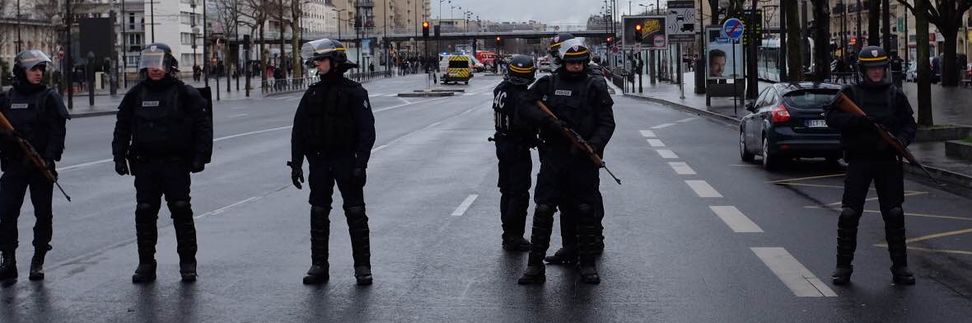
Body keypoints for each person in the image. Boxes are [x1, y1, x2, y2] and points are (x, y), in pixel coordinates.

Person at [112, 43, 213, 284]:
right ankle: (146, 263)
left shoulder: (184, 93)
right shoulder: (135, 95)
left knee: (180, 210)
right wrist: (118, 156)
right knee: (145, 212)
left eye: (159, 63)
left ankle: (188, 263)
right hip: (145, 164)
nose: (154, 69)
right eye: (150, 63)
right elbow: (122, 127)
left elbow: (203, 125)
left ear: (169, 65)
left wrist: (201, 156)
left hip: (175, 163)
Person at [517, 39, 615, 285]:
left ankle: (587, 264)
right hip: (553, 157)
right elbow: (525, 105)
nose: (575, 67)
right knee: (543, 209)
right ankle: (534, 266)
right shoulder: (548, 82)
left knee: (584, 210)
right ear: (563, 61)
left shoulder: (595, 86)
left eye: (579, 62)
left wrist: (594, 144)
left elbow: (607, 123)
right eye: (571, 62)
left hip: (582, 160)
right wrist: (549, 122)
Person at [825, 46, 917, 286]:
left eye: (879, 68)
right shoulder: (850, 93)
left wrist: (901, 141)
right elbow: (831, 118)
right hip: (860, 160)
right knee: (849, 214)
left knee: (894, 214)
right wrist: (857, 121)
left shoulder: (895, 95)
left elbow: (909, 124)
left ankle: (901, 267)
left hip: (887, 160)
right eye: (871, 68)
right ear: (863, 69)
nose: (876, 72)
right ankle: (843, 267)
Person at [290, 38, 376, 286]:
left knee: (355, 212)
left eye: (321, 59)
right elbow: (299, 131)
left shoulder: (355, 92)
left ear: (335, 62)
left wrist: (361, 164)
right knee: (318, 213)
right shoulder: (312, 93)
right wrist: (296, 163)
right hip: (319, 161)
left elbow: (366, 132)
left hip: (346, 160)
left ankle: (362, 266)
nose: (317, 64)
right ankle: (319, 265)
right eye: (315, 60)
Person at [0, 50, 69, 283]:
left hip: (40, 166)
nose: (39, 74)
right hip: (14, 166)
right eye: (33, 69)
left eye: (41, 69)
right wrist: (8, 139)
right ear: (21, 71)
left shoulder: (49, 98)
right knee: (6, 213)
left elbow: (57, 133)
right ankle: (8, 260)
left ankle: (38, 259)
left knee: (43, 215)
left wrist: (48, 159)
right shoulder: (7, 98)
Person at [492, 55, 539, 252]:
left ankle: (507, 234)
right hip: (517, 147)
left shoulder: (500, 89)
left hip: (502, 144)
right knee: (519, 194)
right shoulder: (521, 97)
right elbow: (526, 124)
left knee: (506, 190)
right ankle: (514, 236)